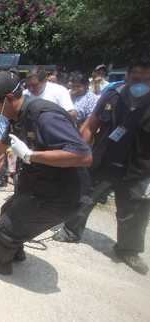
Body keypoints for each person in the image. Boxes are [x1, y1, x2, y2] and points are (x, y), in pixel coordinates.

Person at [0, 71, 92, 275]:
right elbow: (3, 143)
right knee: (7, 210)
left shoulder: (44, 116)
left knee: (3, 229)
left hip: (63, 192)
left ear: (8, 99)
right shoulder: (19, 116)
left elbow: (83, 156)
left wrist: (30, 155)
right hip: (42, 183)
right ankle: (14, 253)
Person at [53, 60, 150, 275]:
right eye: (136, 78)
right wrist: (77, 153)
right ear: (127, 77)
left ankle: (128, 250)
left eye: (146, 79)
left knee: (134, 210)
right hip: (104, 160)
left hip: (138, 168)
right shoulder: (112, 95)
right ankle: (70, 230)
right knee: (85, 196)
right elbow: (91, 124)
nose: (141, 83)